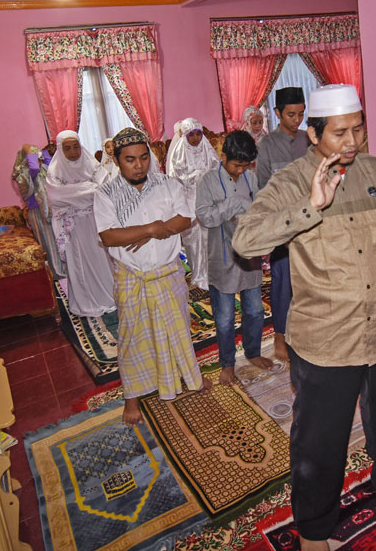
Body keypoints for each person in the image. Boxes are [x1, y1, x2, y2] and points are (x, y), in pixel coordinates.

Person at [232, 84, 376, 550]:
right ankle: (313, 527)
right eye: (339, 133)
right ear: (312, 135)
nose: (352, 142)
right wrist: (311, 207)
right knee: (319, 443)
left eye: (358, 129)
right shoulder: (289, 182)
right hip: (327, 341)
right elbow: (245, 242)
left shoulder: (375, 171)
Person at [95, 128, 212, 425]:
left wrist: (149, 231)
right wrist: (152, 229)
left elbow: (185, 218)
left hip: (167, 273)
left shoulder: (168, 184)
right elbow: (109, 236)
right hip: (131, 277)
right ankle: (131, 398)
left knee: (177, 330)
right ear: (118, 161)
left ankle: (187, 379)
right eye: (130, 160)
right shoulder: (105, 193)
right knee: (132, 338)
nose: (139, 165)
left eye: (144, 157)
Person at [195, 131, 272, 386]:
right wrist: (232, 205)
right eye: (236, 165)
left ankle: (253, 352)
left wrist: (250, 211)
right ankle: (227, 363)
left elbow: (261, 208)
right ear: (223, 156)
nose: (241, 171)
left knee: (255, 310)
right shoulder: (208, 181)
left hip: (248, 254)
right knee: (225, 318)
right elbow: (204, 217)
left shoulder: (251, 177)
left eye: (245, 165)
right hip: (223, 255)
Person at [255, 87, 309, 361]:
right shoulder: (266, 145)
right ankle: (280, 336)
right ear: (277, 114)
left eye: (301, 114)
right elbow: (263, 188)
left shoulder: (308, 140)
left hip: (310, 222)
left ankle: (306, 332)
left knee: (310, 279)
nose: (297, 120)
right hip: (282, 224)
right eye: (290, 114)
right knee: (282, 281)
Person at [46, 131, 118, 336]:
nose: (73, 152)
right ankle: (85, 303)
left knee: (103, 260)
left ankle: (110, 297)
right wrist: (90, 190)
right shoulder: (55, 171)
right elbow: (57, 197)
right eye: (67, 148)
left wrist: (78, 192)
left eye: (75, 146)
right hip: (75, 228)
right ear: (60, 149)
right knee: (81, 264)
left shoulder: (91, 164)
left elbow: (105, 187)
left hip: (96, 222)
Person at [167, 117, 219, 291]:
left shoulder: (207, 149)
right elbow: (175, 179)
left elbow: (217, 171)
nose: (196, 138)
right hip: (189, 202)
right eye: (192, 134)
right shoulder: (179, 153)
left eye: (199, 134)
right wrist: (194, 176)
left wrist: (206, 176)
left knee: (211, 237)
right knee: (195, 239)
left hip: (208, 198)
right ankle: (199, 274)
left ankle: (213, 273)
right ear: (186, 135)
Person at [11, 143, 62, 277]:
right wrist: (27, 149)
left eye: (40, 159)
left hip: (51, 211)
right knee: (49, 245)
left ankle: (62, 272)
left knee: (58, 242)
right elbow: (32, 165)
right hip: (39, 214)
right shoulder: (25, 175)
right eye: (36, 159)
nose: (39, 162)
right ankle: (56, 275)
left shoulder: (44, 170)